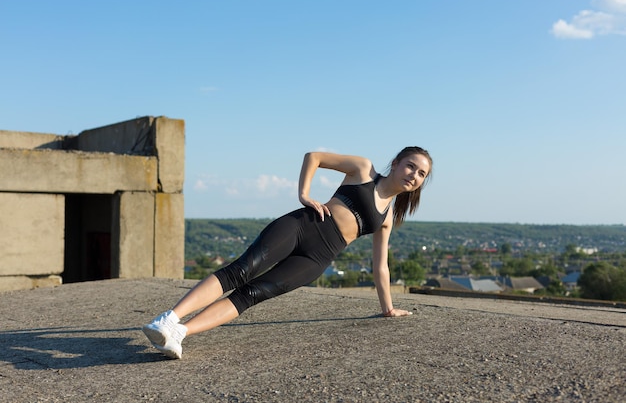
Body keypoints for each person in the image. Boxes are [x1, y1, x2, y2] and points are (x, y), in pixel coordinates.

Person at [142, 146, 433, 359]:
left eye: (421, 174)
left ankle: (180, 333)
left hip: (317, 258)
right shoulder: (363, 170)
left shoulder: (387, 219)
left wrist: (388, 308)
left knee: (252, 294)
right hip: (303, 225)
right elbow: (314, 157)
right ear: (395, 163)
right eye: (410, 166)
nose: (414, 175)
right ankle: (168, 319)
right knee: (242, 270)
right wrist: (304, 195)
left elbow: (381, 266)